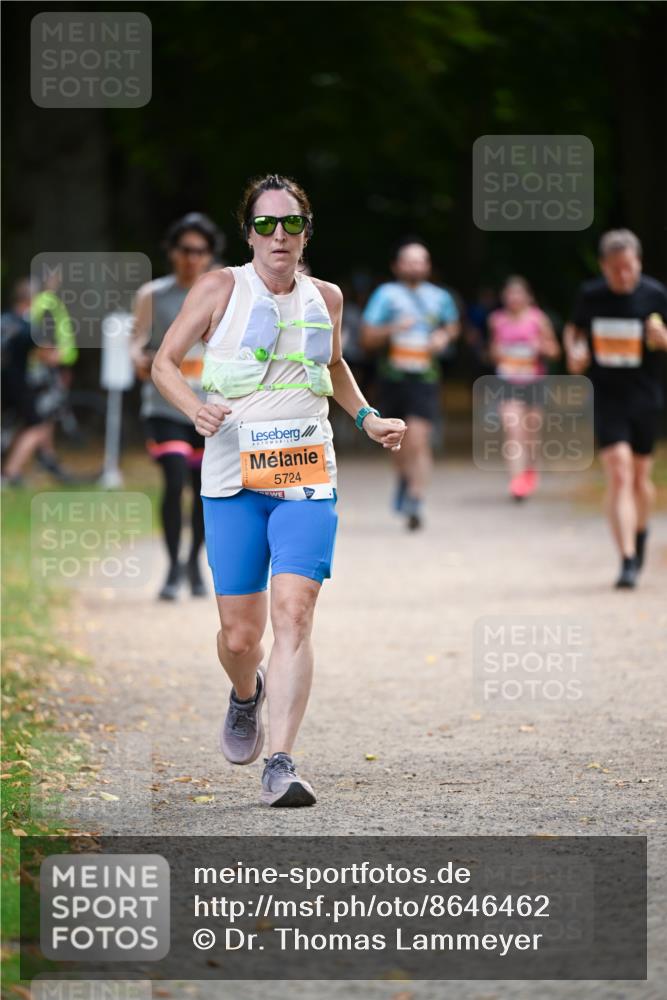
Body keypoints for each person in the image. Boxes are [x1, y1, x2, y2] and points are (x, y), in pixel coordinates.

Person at [151, 173, 406, 806]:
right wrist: (194, 409)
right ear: (249, 233)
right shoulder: (218, 289)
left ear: (306, 231)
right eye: (265, 224)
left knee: (294, 614)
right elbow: (162, 363)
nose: (279, 235)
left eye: (290, 223)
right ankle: (246, 694)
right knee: (241, 637)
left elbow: (335, 364)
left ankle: (282, 762)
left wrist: (367, 417)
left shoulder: (328, 298)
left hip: (307, 475)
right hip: (233, 481)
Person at [564, 229, 667, 588]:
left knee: (640, 476)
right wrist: (574, 352)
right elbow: (573, 331)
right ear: (603, 267)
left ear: (639, 262)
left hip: (646, 397)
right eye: (615, 269)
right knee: (619, 472)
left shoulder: (656, 295)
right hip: (607, 395)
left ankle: (640, 536)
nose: (623, 275)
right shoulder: (591, 296)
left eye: (629, 267)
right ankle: (625, 559)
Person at [131, 212, 224, 600]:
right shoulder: (152, 295)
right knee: (173, 480)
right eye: (185, 250)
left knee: (203, 487)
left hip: (211, 407)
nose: (192, 257)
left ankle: (194, 563)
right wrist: (139, 357)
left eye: (200, 251)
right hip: (165, 405)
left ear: (209, 255)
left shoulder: (224, 290)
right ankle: (171, 568)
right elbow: (136, 342)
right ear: (172, 253)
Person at [360, 239, 459, 530]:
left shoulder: (440, 297)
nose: (416, 266)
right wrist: (392, 329)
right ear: (397, 265)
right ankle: (405, 479)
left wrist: (444, 336)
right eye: (410, 260)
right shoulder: (386, 295)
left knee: (419, 438)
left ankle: (416, 498)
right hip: (392, 378)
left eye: (421, 260)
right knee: (399, 442)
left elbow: (452, 326)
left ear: (428, 265)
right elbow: (366, 337)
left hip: (425, 378)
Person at [488, 276, 560, 500]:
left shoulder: (538, 319)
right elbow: (492, 352)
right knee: (513, 431)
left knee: (530, 434)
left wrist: (541, 347)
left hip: (534, 382)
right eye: (511, 294)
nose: (515, 298)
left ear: (528, 297)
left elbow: (555, 351)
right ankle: (516, 480)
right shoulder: (497, 320)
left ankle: (530, 470)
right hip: (508, 382)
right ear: (505, 297)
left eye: (519, 294)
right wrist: (498, 352)